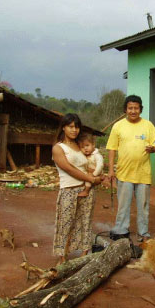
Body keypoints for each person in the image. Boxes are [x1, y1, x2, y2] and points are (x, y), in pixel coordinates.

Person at [107, 95, 155, 242]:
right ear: (125, 109)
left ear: (140, 109)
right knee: (123, 206)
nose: (133, 111)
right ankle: (121, 231)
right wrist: (111, 170)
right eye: (130, 108)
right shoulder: (118, 126)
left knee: (143, 207)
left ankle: (143, 233)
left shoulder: (148, 125)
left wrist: (153, 148)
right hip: (124, 173)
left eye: (136, 108)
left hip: (143, 174)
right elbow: (112, 149)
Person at [52, 113, 102, 264]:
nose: (74, 130)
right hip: (68, 190)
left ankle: (84, 256)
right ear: (63, 128)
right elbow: (68, 169)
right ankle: (62, 257)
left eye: (77, 127)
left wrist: (97, 178)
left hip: (87, 190)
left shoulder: (81, 146)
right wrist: (91, 179)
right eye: (71, 126)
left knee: (85, 222)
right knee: (65, 223)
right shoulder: (58, 148)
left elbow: (91, 165)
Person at [77, 131, 104, 197]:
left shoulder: (97, 155)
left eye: (87, 145)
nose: (85, 148)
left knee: (88, 180)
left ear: (93, 145)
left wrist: (94, 174)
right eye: (82, 147)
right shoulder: (85, 155)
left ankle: (86, 191)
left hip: (96, 173)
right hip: (89, 172)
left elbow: (100, 165)